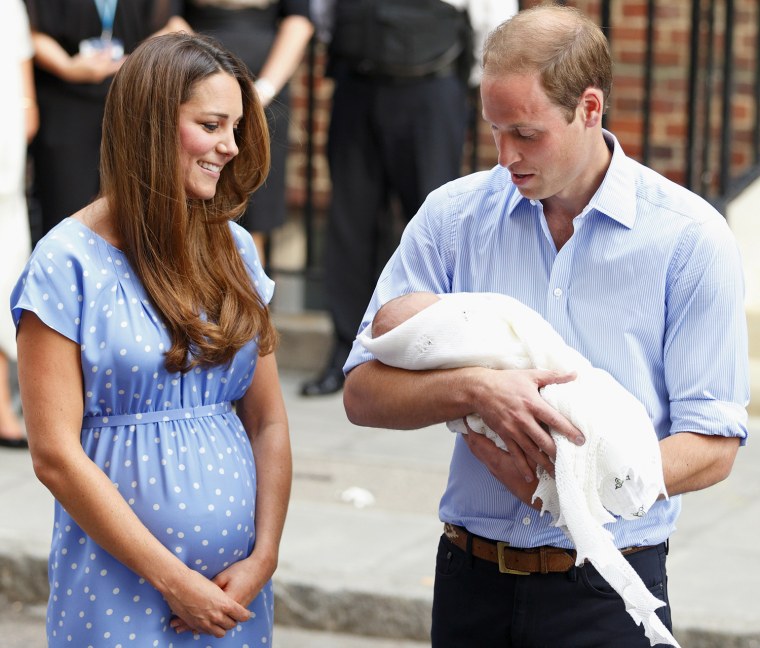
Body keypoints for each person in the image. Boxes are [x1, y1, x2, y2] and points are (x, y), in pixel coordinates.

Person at [343, 5, 749, 647]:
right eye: (495, 131)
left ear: (590, 108)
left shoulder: (689, 238)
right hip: (471, 580)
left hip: (608, 590)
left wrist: (575, 483)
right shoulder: (451, 217)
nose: (504, 156)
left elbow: (715, 442)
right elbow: (362, 392)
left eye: (526, 134)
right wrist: (474, 390)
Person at [12, 32, 292, 645]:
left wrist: (264, 555)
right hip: (119, 590)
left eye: (237, 127)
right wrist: (173, 581)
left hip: (233, 592)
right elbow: (55, 456)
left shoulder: (235, 250)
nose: (229, 146)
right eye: (212, 124)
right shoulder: (66, 263)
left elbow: (268, 421)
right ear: (151, 126)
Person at [301, 0, 519, 396]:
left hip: (431, 85)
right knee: (351, 220)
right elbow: (325, 12)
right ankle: (347, 350)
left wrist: (479, 80)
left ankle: (438, 356)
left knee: (436, 223)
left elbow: (493, 16)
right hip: (358, 80)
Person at [24, 0, 190, 244]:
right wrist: (67, 66)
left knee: (135, 208)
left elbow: (174, 25)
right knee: (64, 205)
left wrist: (139, 61)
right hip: (65, 101)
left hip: (134, 99)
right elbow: (26, 32)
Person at [183, 0, 314, 266]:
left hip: (264, 98)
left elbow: (299, 21)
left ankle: (249, 299)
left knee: (255, 217)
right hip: (196, 86)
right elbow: (168, 18)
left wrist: (261, 92)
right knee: (189, 210)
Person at [0, 0, 38, 448]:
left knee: (8, 264)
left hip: (6, 154)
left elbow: (19, 53)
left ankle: (6, 406)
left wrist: (26, 108)